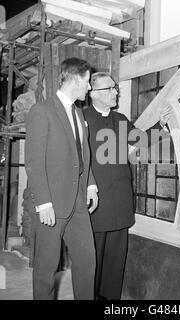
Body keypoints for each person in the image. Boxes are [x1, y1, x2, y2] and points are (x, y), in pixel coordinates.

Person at [84, 72, 170, 300]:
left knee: (115, 260)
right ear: (93, 93)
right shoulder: (80, 120)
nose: (115, 91)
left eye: (115, 88)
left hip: (120, 201)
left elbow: (140, 139)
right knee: (93, 260)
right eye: (109, 89)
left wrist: (160, 125)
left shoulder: (119, 119)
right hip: (95, 204)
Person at [25, 57, 98, 300]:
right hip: (51, 205)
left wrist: (90, 185)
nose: (89, 88)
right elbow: (34, 162)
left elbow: (82, 155)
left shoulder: (77, 114)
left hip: (77, 201)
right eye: (87, 82)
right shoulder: (42, 111)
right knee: (46, 268)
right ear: (76, 80)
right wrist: (43, 203)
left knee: (87, 259)